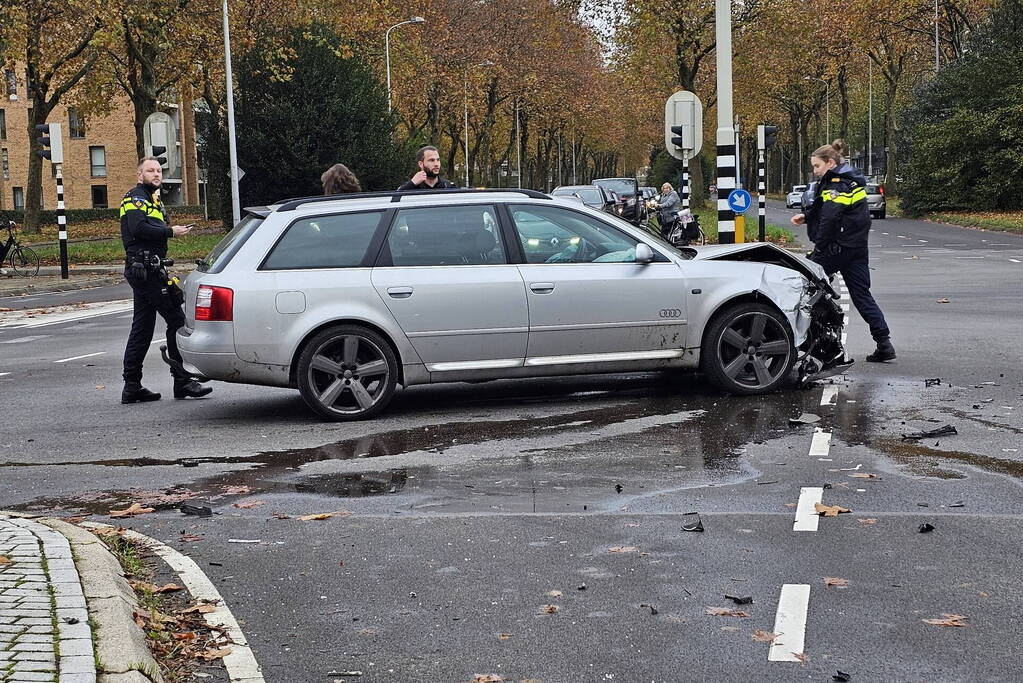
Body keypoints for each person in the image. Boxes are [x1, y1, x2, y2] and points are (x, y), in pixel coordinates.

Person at [119, 157, 213, 403]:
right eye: (150, 170)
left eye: (159, 170)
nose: (156, 174)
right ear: (139, 175)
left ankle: (132, 386)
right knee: (176, 320)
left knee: (142, 328)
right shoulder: (135, 198)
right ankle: (182, 381)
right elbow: (138, 228)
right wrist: (171, 231)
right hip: (144, 270)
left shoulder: (154, 200)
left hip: (149, 269)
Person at [791, 139, 895, 362]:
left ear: (829, 162)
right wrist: (807, 216)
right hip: (857, 248)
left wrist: (819, 249)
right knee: (861, 296)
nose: (815, 171)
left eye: (817, 166)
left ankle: (814, 343)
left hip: (836, 248)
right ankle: (884, 343)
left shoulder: (837, 184)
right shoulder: (851, 181)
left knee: (804, 284)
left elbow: (830, 217)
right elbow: (838, 211)